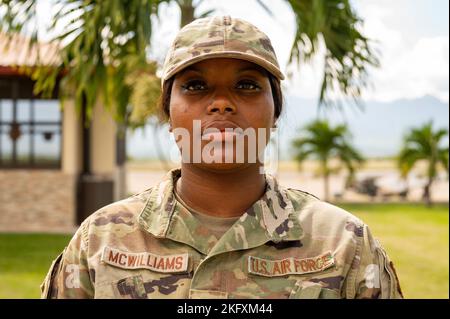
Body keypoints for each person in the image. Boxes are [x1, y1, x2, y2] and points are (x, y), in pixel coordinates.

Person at [41, 15, 403, 299]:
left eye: (247, 85)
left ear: (274, 114)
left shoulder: (344, 243)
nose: (221, 103)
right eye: (195, 86)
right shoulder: (101, 241)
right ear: (169, 113)